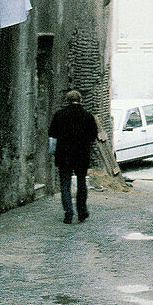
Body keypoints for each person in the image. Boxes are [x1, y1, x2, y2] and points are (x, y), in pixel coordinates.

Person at [48, 89, 99, 223]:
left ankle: (68, 213)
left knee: (65, 184)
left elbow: (52, 135)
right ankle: (82, 212)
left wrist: (53, 151)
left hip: (64, 155)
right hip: (81, 155)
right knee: (81, 183)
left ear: (67, 101)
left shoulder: (59, 115)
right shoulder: (87, 116)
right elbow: (94, 135)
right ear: (80, 100)